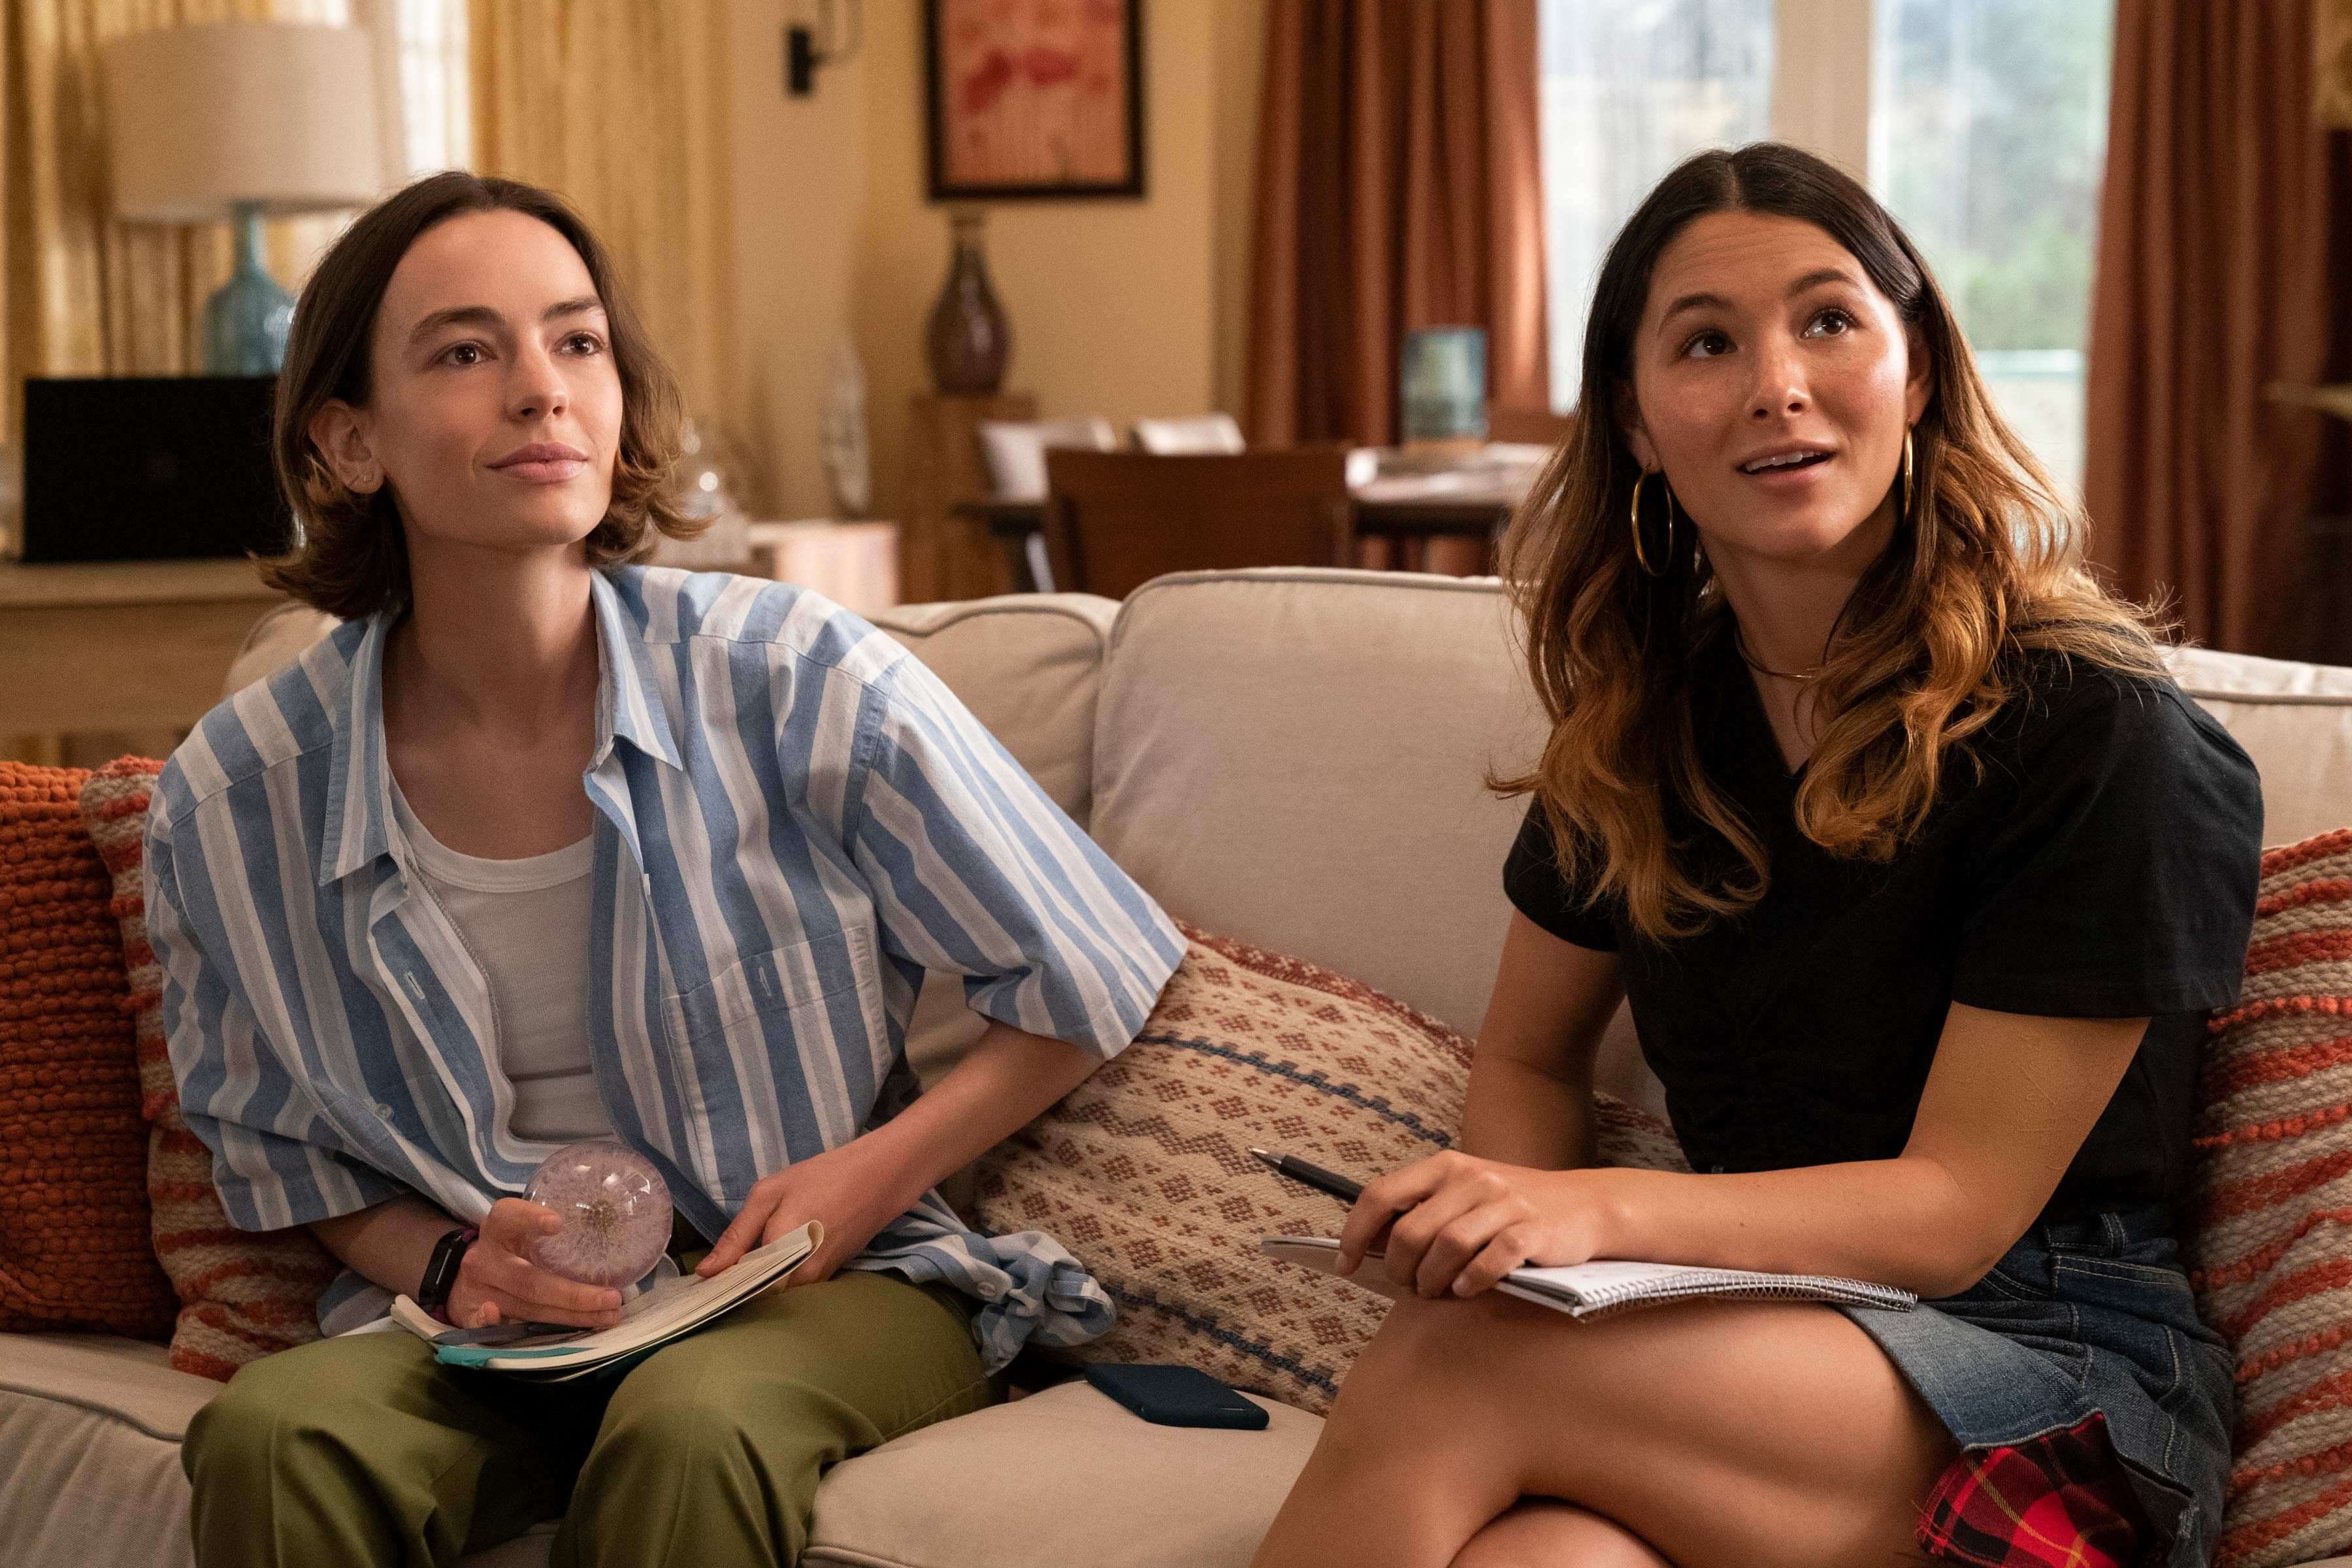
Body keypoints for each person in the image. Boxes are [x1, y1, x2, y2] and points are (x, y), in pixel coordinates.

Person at [146, 170, 1184, 1567]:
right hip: (490, 1331)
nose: (541, 389)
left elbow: (1094, 966)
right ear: (349, 441)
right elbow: (275, 1152)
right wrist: (452, 1263)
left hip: (823, 1286)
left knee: (689, 1425)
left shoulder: (796, 676)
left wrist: (864, 1180)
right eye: (465, 353)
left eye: (576, 341)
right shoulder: (235, 795)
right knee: (276, 1433)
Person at [1249, 142, 2261, 1568]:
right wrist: (1508, 1254)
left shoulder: (2098, 731)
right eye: (1708, 343)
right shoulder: (1650, 726)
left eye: (1829, 320)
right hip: (1736, 1336)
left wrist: (1585, 1215)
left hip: (2048, 1364)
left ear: (1917, 370)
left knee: (1454, 1363)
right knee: (1544, 1557)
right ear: (1637, 422)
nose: (1778, 384)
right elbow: (1531, 1059)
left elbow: (1955, 1214)